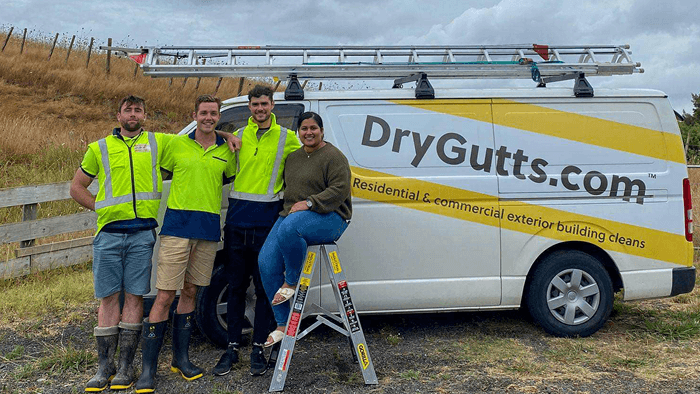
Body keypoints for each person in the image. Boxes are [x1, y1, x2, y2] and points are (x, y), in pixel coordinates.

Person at [70, 96, 177, 392]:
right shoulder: (99, 148)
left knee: (134, 298)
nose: (133, 114)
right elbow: (76, 187)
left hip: (142, 234)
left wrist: (224, 134)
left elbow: (197, 137)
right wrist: (101, 209)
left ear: (144, 115)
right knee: (107, 297)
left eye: (138, 110)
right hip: (108, 235)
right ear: (118, 116)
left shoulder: (158, 144)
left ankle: (127, 365)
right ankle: (105, 366)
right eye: (128, 110)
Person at [135, 95, 237, 393]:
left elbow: (228, 178)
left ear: (219, 117)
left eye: (213, 113)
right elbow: (140, 141)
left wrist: (226, 135)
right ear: (195, 115)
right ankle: (147, 370)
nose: (208, 117)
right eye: (203, 113)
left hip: (207, 230)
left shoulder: (227, 151)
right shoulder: (175, 144)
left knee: (191, 292)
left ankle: (181, 359)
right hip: (177, 228)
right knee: (165, 295)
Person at [212, 85, 300, 377]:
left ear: (272, 105)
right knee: (236, 288)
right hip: (237, 221)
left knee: (264, 290)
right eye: (254, 104)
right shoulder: (238, 132)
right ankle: (232, 347)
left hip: (267, 223)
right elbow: (205, 135)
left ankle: (259, 349)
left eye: (264, 104)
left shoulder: (288, 138)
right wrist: (226, 135)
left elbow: (311, 156)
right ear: (249, 107)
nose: (259, 109)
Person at [258, 111, 352, 347]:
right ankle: (283, 323)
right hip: (295, 216)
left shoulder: (334, 156)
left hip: (331, 217)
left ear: (321, 131)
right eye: (304, 129)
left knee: (290, 228)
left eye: (313, 128)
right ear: (298, 132)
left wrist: (310, 203)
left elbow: (340, 190)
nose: (309, 133)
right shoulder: (293, 158)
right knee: (266, 263)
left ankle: (291, 282)